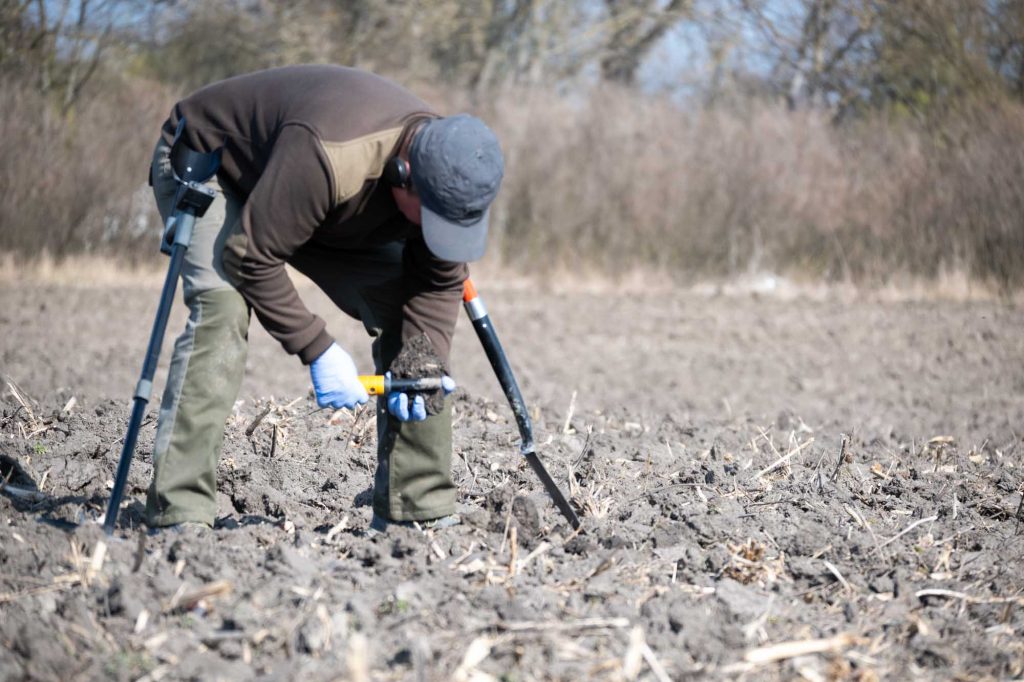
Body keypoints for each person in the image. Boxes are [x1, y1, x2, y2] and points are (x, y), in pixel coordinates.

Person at [144, 65, 504, 533]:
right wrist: (316, 347)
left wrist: (425, 365)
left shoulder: (449, 177)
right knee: (222, 306)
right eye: (435, 217)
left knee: (413, 340)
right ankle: (180, 511)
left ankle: (417, 506)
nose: (439, 233)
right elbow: (251, 257)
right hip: (214, 166)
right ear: (404, 175)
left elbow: (435, 285)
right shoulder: (330, 152)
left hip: (320, 206)